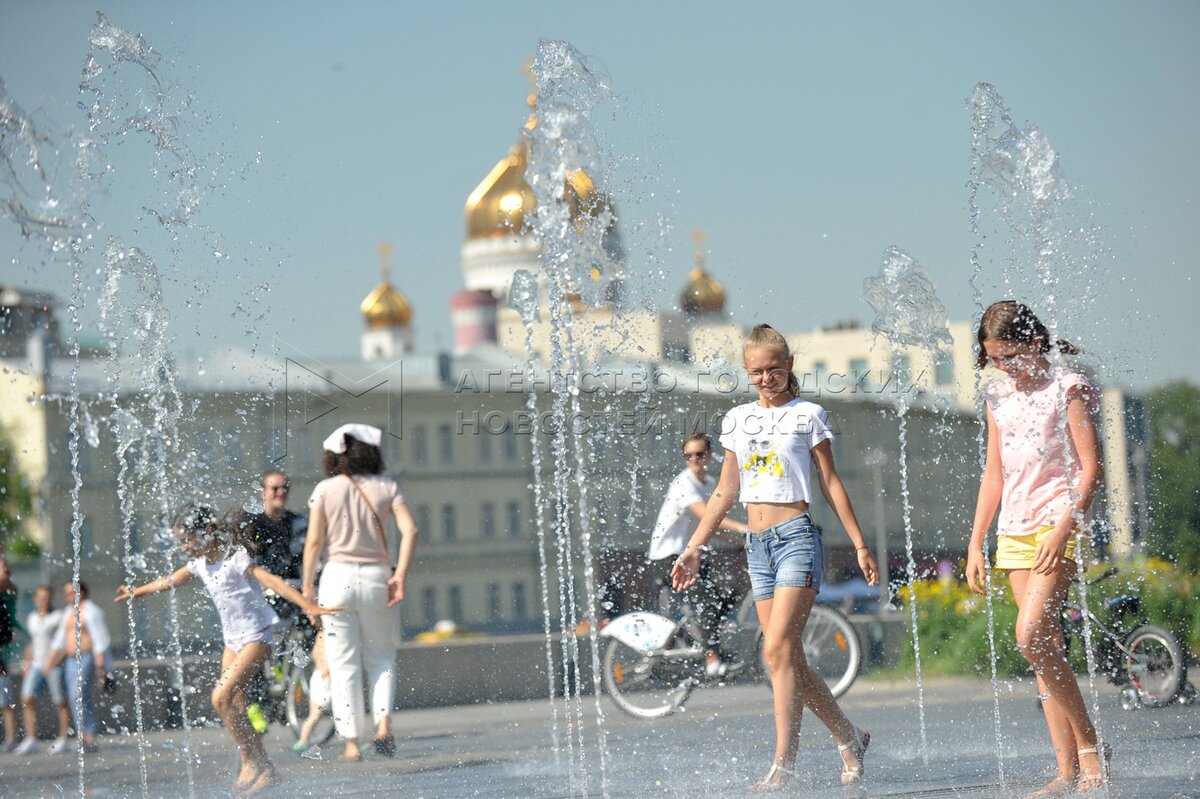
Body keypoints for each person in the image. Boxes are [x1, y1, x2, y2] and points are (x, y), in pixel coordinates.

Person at [673, 324, 879, 790]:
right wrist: (694, 546)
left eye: (774, 369)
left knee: (775, 650)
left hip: (796, 539)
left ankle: (783, 764)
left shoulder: (809, 414)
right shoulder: (737, 420)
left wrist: (861, 544)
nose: (767, 378)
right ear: (747, 373)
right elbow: (726, 490)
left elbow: (830, 481)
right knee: (789, 661)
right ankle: (848, 736)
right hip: (757, 547)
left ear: (789, 367)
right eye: (757, 372)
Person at [965, 300, 1111, 797]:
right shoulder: (997, 395)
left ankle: (1092, 749)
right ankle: (1066, 769)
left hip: (1057, 525)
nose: (1002, 366)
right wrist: (975, 542)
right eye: (993, 359)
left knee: (1030, 636)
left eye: (1008, 356)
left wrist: (1063, 529)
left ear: (1032, 344)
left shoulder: (1066, 388)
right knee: (1043, 649)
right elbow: (994, 473)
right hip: (1013, 530)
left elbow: (1091, 470)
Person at [115, 504, 337, 795]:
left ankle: (251, 762)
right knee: (234, 705)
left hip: (257, 637)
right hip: (232, 643)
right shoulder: (200, 565)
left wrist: (308, 605)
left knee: (220, 697)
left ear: (207, 531)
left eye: (187, 540)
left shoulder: (236, 558)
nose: (184, 547)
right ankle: (265, 766)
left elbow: (272, 582)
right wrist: (138, 592)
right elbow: (170, 581)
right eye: (180, 542)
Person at [302, 422, 419, 762]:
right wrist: (400, 575)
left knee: (342, 665)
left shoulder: (325, 489)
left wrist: (308, 588)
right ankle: (383, 725)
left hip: (336, 579)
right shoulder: (387, 486)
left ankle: (351, 743)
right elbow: (410, 530)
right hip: (376, 577)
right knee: (381, 657)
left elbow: (314, 542)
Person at [647, 433, 749, 677]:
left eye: (699, 454)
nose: (693, 459)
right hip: (668, 557)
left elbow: (710, 528)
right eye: (688, 456)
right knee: (704, 600)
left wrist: (740, 541)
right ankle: (711, 659)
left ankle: (706, 647)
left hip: (690, 555)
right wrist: (747, 528)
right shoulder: (684, 483)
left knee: (724, 596)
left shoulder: (710, 482)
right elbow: (707, 516)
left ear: (709, 456)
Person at [240, 470, 309, 735]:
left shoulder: (297, 523)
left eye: (284, 488)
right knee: (255, 645)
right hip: (261, 593)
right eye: (274, 488)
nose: (281, 493)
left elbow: (308, 553)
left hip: (290, 592)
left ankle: (291, 681)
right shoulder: (254, 525)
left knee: (307, 628)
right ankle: (256, 706)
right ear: (263, 493)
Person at [45, 579, 110, 754]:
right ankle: (84, 735)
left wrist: (100, 661)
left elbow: (100, 638)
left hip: (87, 658)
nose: (69, 596)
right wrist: (51, 660)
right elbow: (60, 639)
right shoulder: (68, 612)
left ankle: (89, 735)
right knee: (77, 697)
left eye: (72, 592)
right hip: (71, 660)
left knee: (78, 695)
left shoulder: (92, 611)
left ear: (81, 592)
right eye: (66, 593)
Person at [14, 585, 71, 755]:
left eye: (46, 597)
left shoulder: (57, 616)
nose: (43, 600)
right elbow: (33, 642)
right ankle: (31, 738)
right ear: (35, 599)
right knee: (27, 697)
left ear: (50, 598)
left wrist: (55, 661)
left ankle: (63, 738)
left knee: (60, 700)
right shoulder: (32, 618)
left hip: (53, 665)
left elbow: (64, 641)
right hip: (36, 664)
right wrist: (26, 661)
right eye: (40, 597)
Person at [289, 627, 331, 754]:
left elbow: (315, 654)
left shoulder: (321, 635)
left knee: (314, 714)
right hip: (325, 678)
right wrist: (326, 668)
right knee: (318, 714)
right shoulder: (327, 634)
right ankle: (352, 742)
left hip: (318, 676)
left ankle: (303, 740)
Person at [0, 556, 21, 752]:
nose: (7, 572)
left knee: (5, 702)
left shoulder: (8, 593)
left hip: (1, 659)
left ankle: (10, 737)